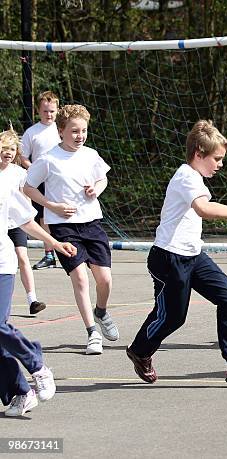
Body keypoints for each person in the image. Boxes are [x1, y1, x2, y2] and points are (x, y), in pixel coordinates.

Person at [126, 120, 227, 384]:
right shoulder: (185, 177)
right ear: (199, 154)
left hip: (193, 256)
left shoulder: (195, 178)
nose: (220, 164)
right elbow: (204, 208)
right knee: (173, 317)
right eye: (217, 158)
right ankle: (139, 351)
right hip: (169, 258)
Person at [24, 104, 118, 355]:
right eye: (75, 131)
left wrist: (95, 190)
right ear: (61, 131)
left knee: (105, 280)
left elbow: (103, 178)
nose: (80, 135)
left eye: (84, 130)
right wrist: (51, 205)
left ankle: (101, 312)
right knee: (79, 277)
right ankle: (92, 332)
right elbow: (28, 188)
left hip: (92, 223)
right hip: (63, 226)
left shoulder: (90, 154)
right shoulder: (48, 159)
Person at [1, 170, 77, 416]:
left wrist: (54, 244)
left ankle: (37, 363)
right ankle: (20, 392)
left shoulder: (4, 185)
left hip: (1, 266)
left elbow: (25, 221)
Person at [0, 128, 46, 315]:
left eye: (11, 149)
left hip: (16, 224)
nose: (8, 153)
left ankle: (32, 299)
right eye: (4, 148)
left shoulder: (19, 173)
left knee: (22, 256)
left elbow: (25, 198)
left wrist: (29, 221)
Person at [21, 91, 62, 270]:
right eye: (45, 111)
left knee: (67, 214)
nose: (49, 115)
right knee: (44, 218)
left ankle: (78, 251)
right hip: (41, 181)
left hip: (61, 179)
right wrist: (35, 171)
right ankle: (49, 255)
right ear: (39, 111)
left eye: (52, 111)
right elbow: (23, 157)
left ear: (57, 110)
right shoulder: (32, 132)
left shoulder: (62, 129)